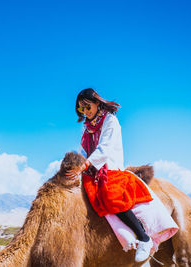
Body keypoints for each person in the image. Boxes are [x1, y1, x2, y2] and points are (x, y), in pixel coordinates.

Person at [66, 88, 154, 262]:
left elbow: (104, 148)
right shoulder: (88, 128)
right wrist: (76, 164)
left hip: (110, 168)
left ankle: (144, 238)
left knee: (110, 194)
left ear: (98, 103)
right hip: (92, 169)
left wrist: (85, 164)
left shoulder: (110, 121)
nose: (85, 112)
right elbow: (83, 150)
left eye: (87, 107)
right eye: (81, 109)